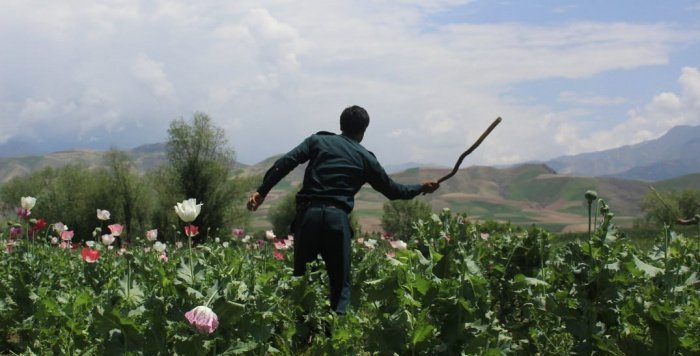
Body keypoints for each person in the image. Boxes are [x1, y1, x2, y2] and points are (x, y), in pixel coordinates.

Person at [246, 105, 440, 315]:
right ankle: (334, 335)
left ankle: (299, 335)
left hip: (308, 217)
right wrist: (421, 187)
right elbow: (394, 191)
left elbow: (285, 163)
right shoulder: (366, 158)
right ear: (363, 131)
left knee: (301, 281)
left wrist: (262, 191)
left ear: (341, 124)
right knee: (340, 286)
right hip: (336, 221)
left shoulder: (318, 141)